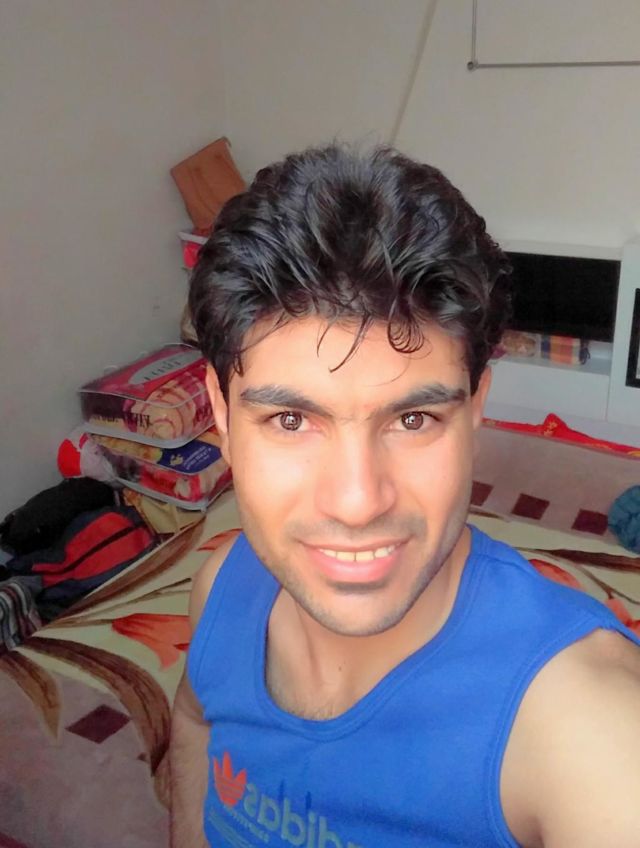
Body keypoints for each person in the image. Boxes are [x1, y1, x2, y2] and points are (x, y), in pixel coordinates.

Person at [170, 144, 640, 848]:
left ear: (475, 409)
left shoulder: (587, 725)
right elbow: (193, 721)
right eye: (291, 421)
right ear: (221, 414)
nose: (358, 502)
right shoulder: (222, 589)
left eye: (413, 419)